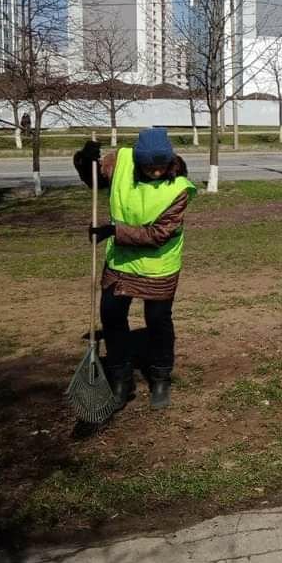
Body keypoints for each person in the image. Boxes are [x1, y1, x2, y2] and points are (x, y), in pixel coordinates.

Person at [74, 128, 197, 413]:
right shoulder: (121, 161)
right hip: (121, 262)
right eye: (148, 167)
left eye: (160, 167)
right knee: (112, 315)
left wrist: (113, 231)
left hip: (159, 266)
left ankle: (160, 377)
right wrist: (86, 162)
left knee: (157, 319)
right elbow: (95, 183)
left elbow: (158, 235)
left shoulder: (178, 187)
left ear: (170, 162)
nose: (155, 172)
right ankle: (121, 381)